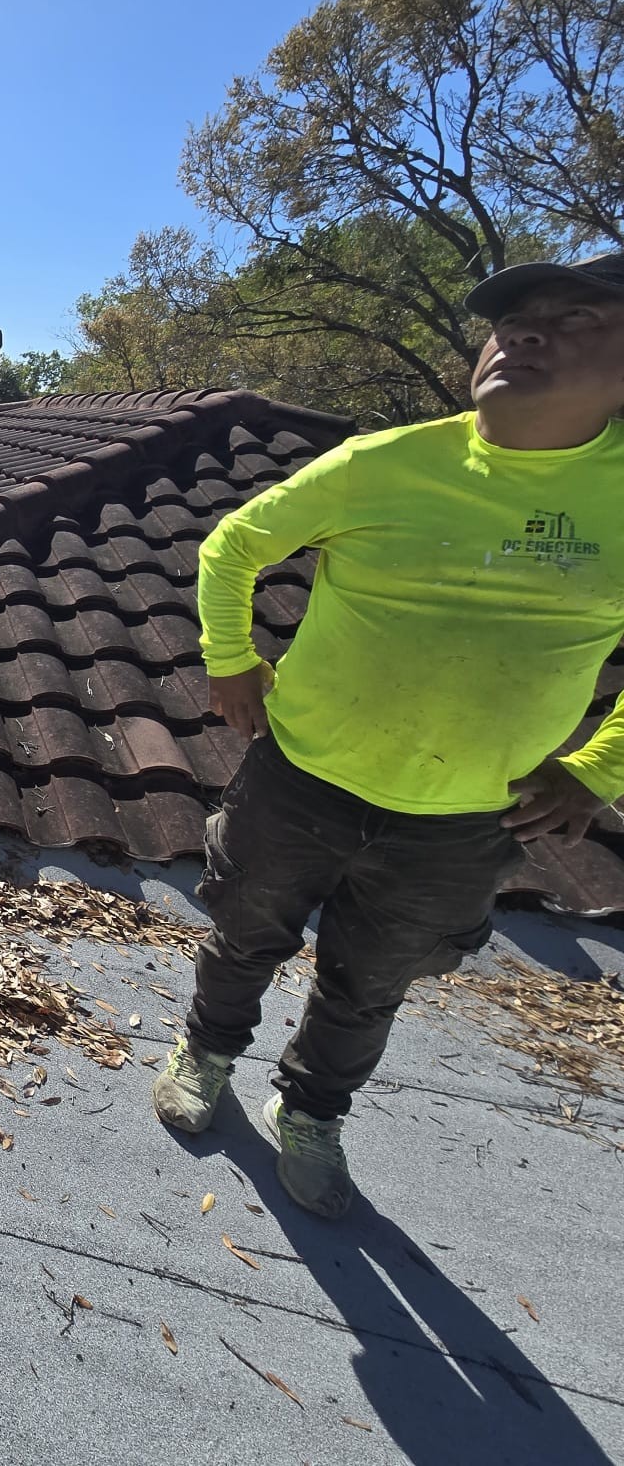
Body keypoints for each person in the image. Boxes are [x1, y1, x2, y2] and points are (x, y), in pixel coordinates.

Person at [153, 250, 624, 1218]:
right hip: (302, 774)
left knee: (367, 984)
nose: (521, 335)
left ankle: (313, 1111)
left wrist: (596, 769)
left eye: (574, 319)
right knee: (244, 934)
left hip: (463, 815)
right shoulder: (386, 463)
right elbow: (232, 545)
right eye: (508, 321)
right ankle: (205, 1051)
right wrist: (229, 658)